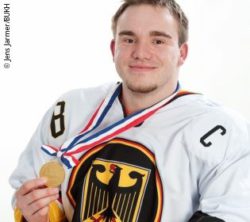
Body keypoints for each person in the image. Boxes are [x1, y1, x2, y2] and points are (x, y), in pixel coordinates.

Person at [9, 0, 250, 221]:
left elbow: (231, 214)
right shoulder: (70, 108)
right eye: (128, 39)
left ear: (182, 53)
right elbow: (29, 191)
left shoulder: (221, 129)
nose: (141, 53)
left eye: (158, 40)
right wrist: (36, 212)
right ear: (114, 47)